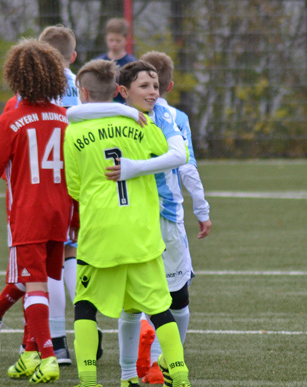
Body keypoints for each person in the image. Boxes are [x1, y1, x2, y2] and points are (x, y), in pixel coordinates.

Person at [64, 59, 191, 387]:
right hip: (141, 233)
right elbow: (169, 155)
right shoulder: (141, 124)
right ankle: (180, 374)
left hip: (99, 233)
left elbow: (74, 188)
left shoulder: (74, 130)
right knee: (161, 309)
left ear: (83, 91)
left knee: (85, 306)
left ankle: (89, 379)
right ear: (119, 91)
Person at [0, 39, 74, 384]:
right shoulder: (65, 118)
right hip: (62, 213)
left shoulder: (10, 121)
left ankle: (48, 356)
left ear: (15, 77)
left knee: (33, 284)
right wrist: (78, 217)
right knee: (38, 282)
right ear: (56, 76)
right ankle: (28, 353)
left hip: (29, 214)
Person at [132, 50, 212, 384]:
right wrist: (203, 209)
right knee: (177, 293)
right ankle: (164, 359)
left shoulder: (121, 115)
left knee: (139, 294)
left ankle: (135, 361)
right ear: (171, 84)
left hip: (131, 215)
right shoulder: (173, 117)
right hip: (167, 213)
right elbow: (187, 166)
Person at [94, 17, 137, 103]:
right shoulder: (98, 62)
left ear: (126, 40)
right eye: (111, 40)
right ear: (106, 39)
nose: (114, 44)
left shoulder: (132, 64)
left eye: (118, 41)